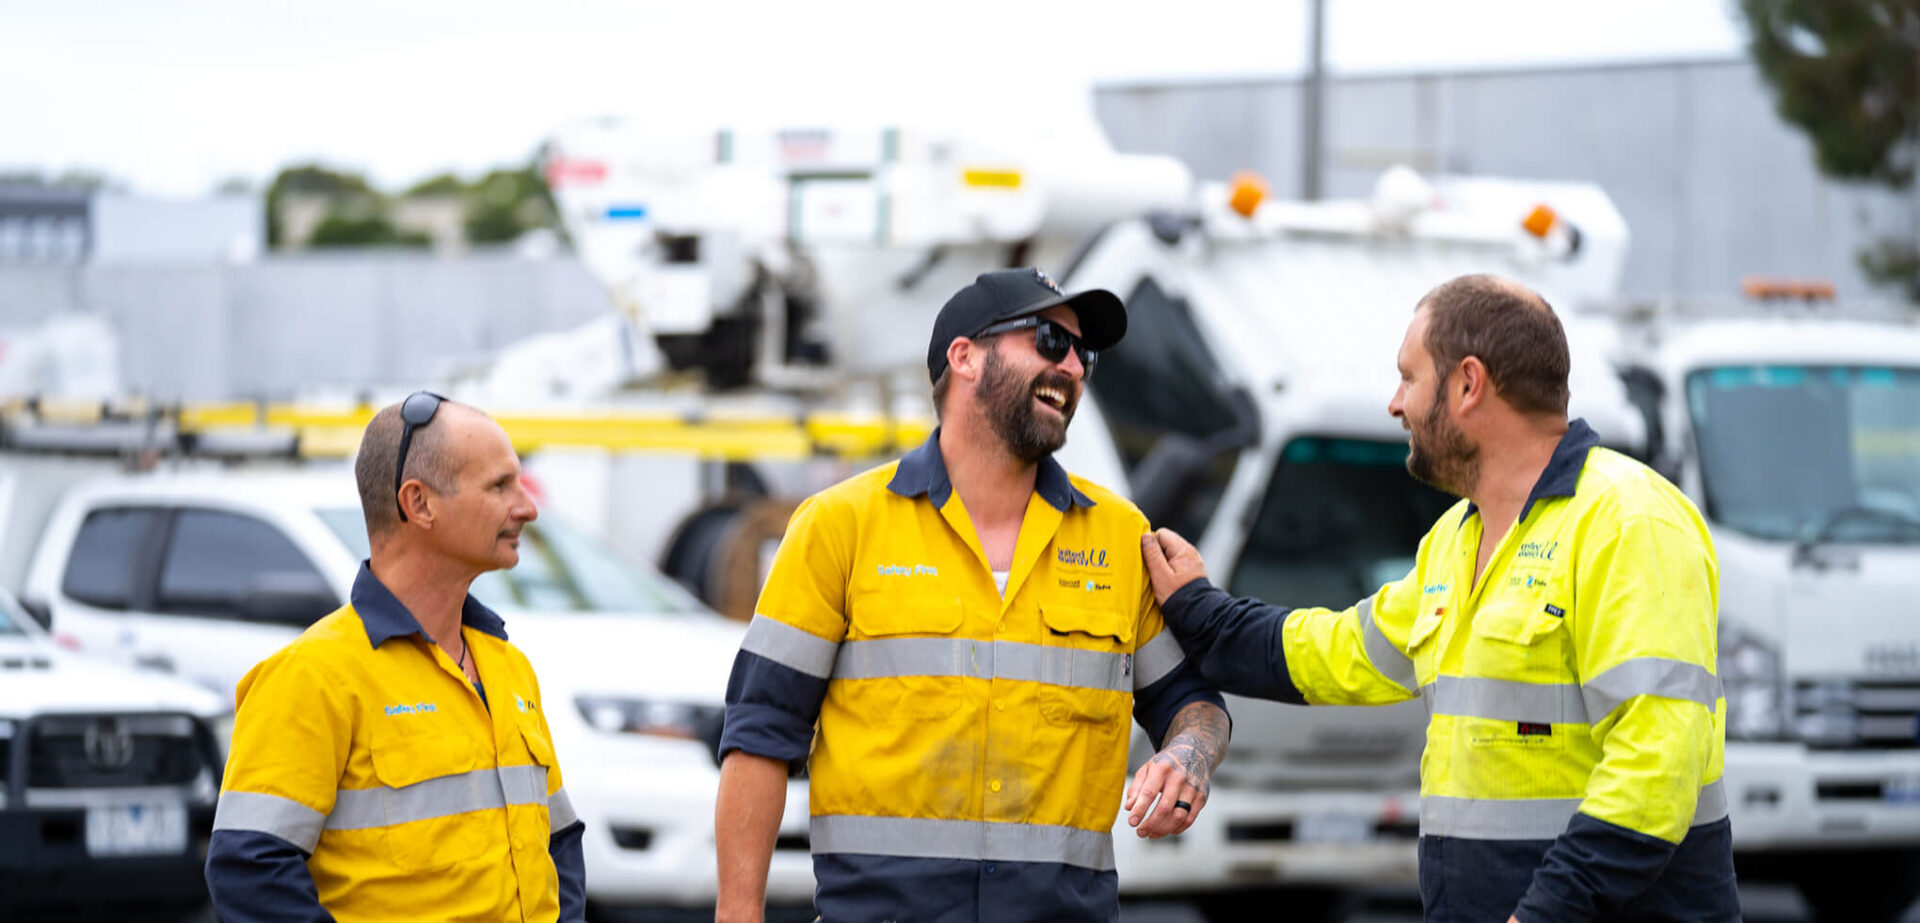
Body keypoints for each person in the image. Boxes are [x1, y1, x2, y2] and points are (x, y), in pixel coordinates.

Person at [1141, 274, 1738, 922]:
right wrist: (1202, 611)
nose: (1395, 403)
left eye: (1409, 376)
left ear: (1468, 384)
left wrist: (1544, 913)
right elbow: (1339, 652)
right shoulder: (1457, 538)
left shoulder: (1631, 522)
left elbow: (1655, 767)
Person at [715, 268, 1231, 923]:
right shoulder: (839, 525)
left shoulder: (1119, 535)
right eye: (1049, 339)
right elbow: (759, 733)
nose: (1073, 366)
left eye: (1084, 353)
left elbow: (1192, 702)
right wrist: (738, 913)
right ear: (964, 356)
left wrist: (1190, 755)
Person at [205, 392, 587, 923]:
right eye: (499, 486)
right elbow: (250, 872)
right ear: (419, 503)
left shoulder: (508, 667)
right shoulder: (313, 676)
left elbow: (559, 842)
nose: (527, 507)